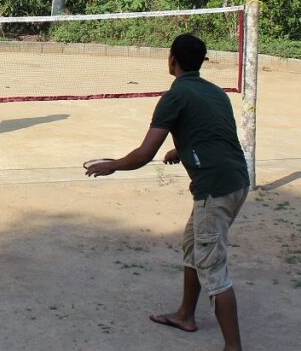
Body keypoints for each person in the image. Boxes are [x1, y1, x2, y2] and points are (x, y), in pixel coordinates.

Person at [85, 33, 250, 351]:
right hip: (236, 181)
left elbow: (144, 153)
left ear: (171, 59)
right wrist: (180, 149)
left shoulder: (174, 96)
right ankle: (186, 315)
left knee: (213, 269)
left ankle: (233, 347)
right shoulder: (216, 92)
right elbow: (212, 133)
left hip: (214, 190)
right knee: (193, 247)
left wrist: (112, 165)